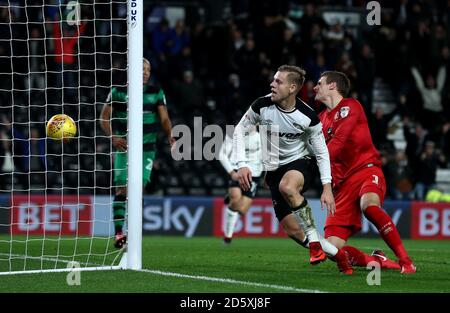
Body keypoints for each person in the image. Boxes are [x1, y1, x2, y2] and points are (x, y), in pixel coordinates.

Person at [233, 65, 353, 274]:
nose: (272, 84)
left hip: (300, 162)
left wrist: (326, 187)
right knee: (294, 230)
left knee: (288, 187)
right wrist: (242, 164)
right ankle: (340, 256)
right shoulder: (261, 105)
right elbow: (238, 131)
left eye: (278, 81)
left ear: (292, 87)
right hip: (273, 169)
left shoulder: (307, 116)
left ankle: (315, 244)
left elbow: (323, 153)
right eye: (273, 80)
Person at [314, 71, 416, 274]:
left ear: (333, 86)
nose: (315, 87)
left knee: (369, 206)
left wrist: (313, 158)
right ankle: (381, 261)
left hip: (365, 170)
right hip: (341, 186)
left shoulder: (351, 106)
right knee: (333, 248)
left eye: (319, 83)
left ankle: (406, 261)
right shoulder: (320, 119)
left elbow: (338, 144)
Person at [100, 58, 175, 249]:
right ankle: (118, 233)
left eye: (147, 69)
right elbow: (104, 118)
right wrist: (113, 138)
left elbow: (164, 118)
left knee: (137, 190)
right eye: (141, 69)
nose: (145, 72)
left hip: (146, 148)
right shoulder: (117, 92)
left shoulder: (155, 92)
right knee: (121, 190)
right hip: (124, 147)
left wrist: (170, 136)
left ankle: (133, 235)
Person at [218, 126, 263, 244]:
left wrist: (267, 174)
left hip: (254, 174)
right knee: (236, 200)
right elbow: (222, 155)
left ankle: (230, 196)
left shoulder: (263, 137)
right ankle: (228, 236)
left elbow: (267, 159)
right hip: (238, 171)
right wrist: (232, 173)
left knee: (242, 210)